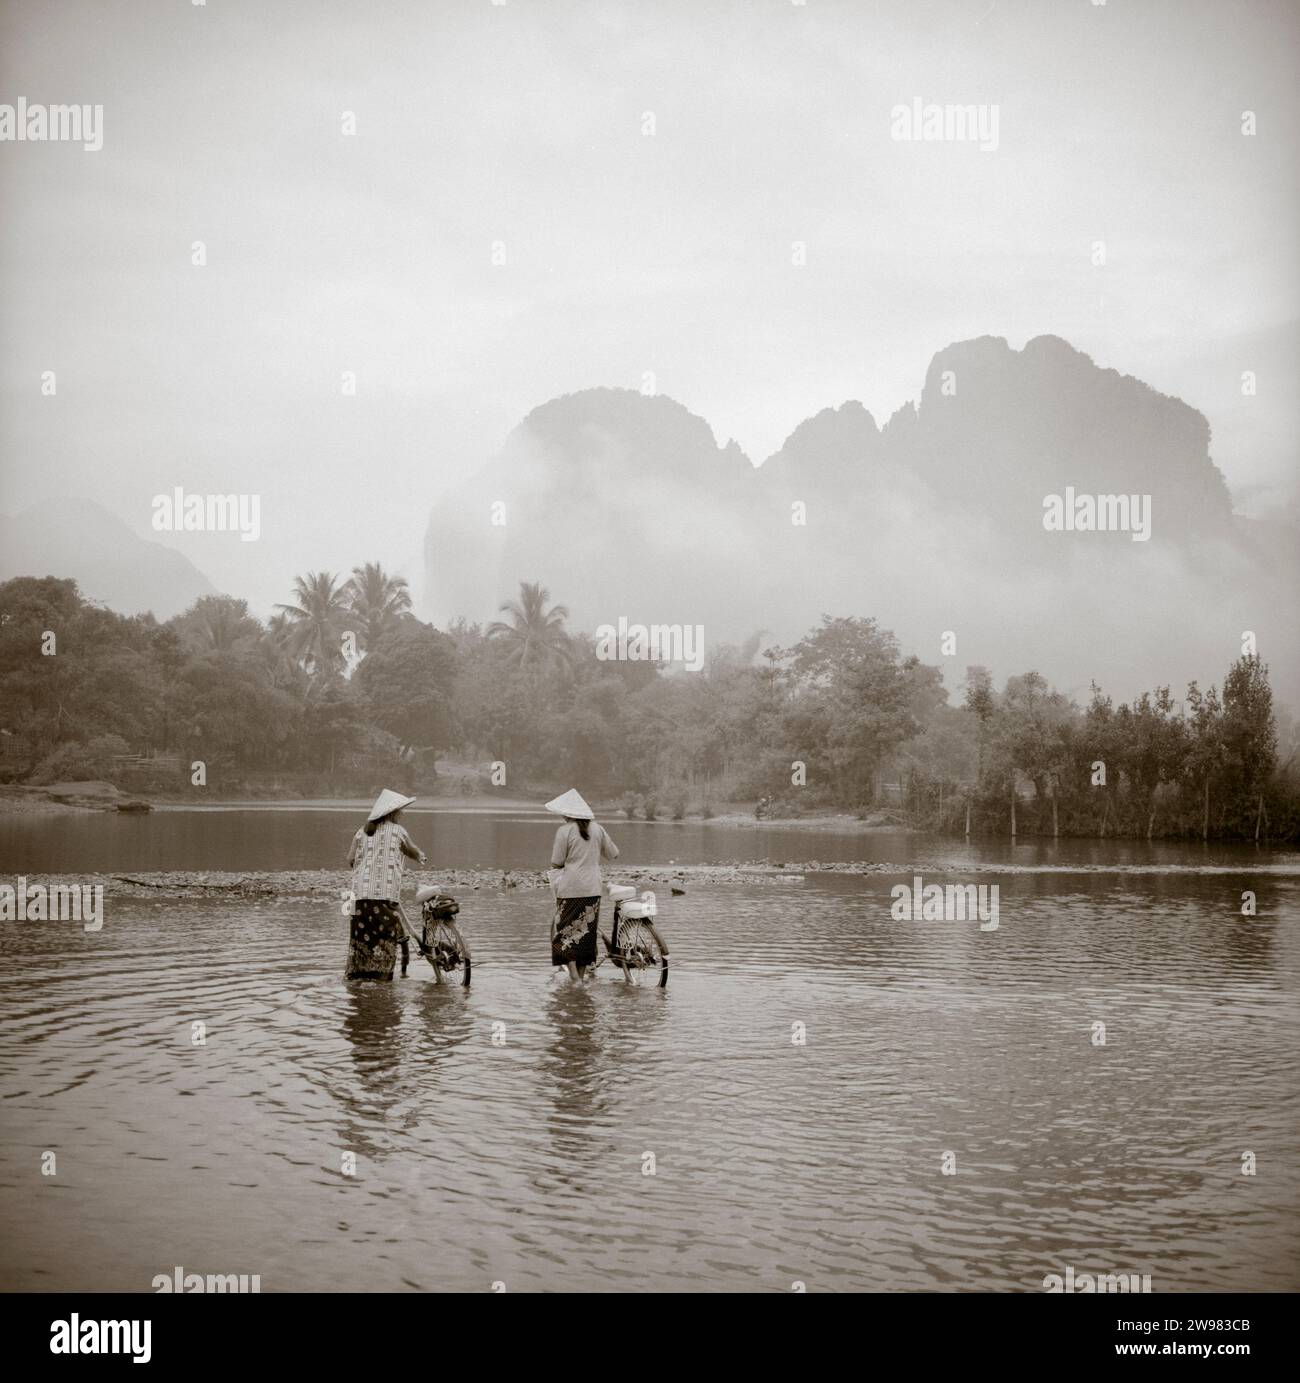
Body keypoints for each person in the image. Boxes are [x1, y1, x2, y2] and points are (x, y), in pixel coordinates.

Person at [344, 788, 426, 980]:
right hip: (384, 896)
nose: (402, 813)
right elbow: (412, 851)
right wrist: (421, 856)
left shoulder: (361, 832)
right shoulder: (398, 832)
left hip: (360, 897)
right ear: (391, 813)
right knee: (386, 941)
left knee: (361, 941)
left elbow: (350, 859)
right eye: (400, 810)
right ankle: (382, 983)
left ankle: (358, 981)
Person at [546, 788, 618, 981]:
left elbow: (557, 862)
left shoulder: (564, 831)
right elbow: (613, 853)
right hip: (593, 889)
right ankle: (581, 978)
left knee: (566, 934)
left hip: (570, 888)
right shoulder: (598, 829)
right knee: (586, 935)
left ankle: (575, 980)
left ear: (568, 813)